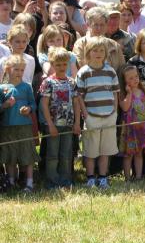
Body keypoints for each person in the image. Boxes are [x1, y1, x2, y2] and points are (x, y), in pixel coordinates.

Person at [75, 36, 120, 190]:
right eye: (95, 50)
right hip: (92, 116)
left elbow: (115, 92)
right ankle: (90, 178)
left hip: (109, 116)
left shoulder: (110, 71)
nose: (99, 53)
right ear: (89, 52)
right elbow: (79, 96)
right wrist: (85, 114)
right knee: (90, 150)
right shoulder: (83, 72)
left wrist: (115, 111)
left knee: (105, 150)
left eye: (101, 50)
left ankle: (102, 177)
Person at [39, 47, 81, 188]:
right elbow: (44, 104)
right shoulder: (48, 82)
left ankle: (65, 179)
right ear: (52, 64)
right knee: (52, 154)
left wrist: (77, 123)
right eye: (58, 64)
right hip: (53, 125)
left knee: (66, 154)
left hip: (68, 125)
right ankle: (52, 180)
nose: (61, 67)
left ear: (68, 63)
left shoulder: (71, 82)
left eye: (64, 64)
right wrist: (50, 124)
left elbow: (76, 103)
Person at [0, 55, 38, 192]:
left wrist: (29, 109)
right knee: (10, 156)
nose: (19, 73)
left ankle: (29, 182)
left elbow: (33, 104)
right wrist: (5, 105)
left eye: (22, 70)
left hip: (24, 127)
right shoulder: (2, 88)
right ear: (8, 69)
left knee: (27, 154)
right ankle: (11, 181)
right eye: (16, 70)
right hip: (7, 128)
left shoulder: (26, 87)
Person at [117, 64, 145, 181]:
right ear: (124, 81)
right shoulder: (123, 93)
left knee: (139, 153)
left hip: (142, 127)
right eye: (130, 78)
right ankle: (127, 178)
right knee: (128, 154)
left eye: (136, 76)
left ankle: (138, 177)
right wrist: (129, 93)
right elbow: (125, 107)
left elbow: (144, 109)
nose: (135, 80)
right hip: (130, 128)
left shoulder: (142, 90)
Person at [73, 7, 124, 73]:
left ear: (106, 25)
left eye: (102, 25)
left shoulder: (114, 45)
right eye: (95, 25)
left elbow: (122, 70)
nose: (99, 28)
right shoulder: (80, 44)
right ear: (88, 25)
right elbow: (79, 67)